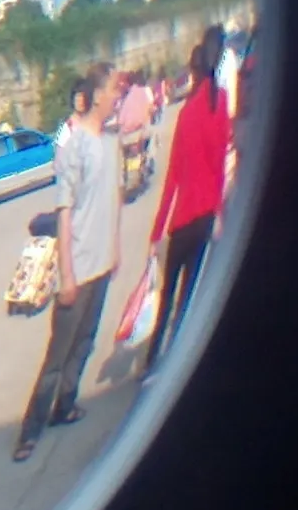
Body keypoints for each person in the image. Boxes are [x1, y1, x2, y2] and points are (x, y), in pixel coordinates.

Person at [14, 63, 126, 461]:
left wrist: (114, 249)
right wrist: (67, 275)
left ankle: (66, 405)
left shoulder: (113, 143)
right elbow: (65, 213)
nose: (119, 94)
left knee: (85, 342)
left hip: (101, 263)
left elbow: (113, 201)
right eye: (114, 88)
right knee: (57, 353)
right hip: (76, 266)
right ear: (96, 95)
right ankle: (30, 430)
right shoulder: (75, 145)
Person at [144, 27, 233, 376]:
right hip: (208, 216)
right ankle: (180, 358)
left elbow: (173, 181)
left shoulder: (187, 113)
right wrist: (222, 214)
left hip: (183, 220)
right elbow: (221, 164)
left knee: (166, 295)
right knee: (188, 295)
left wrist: (156, 233)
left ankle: (152, 362)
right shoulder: (222, 102)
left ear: (191, 71)